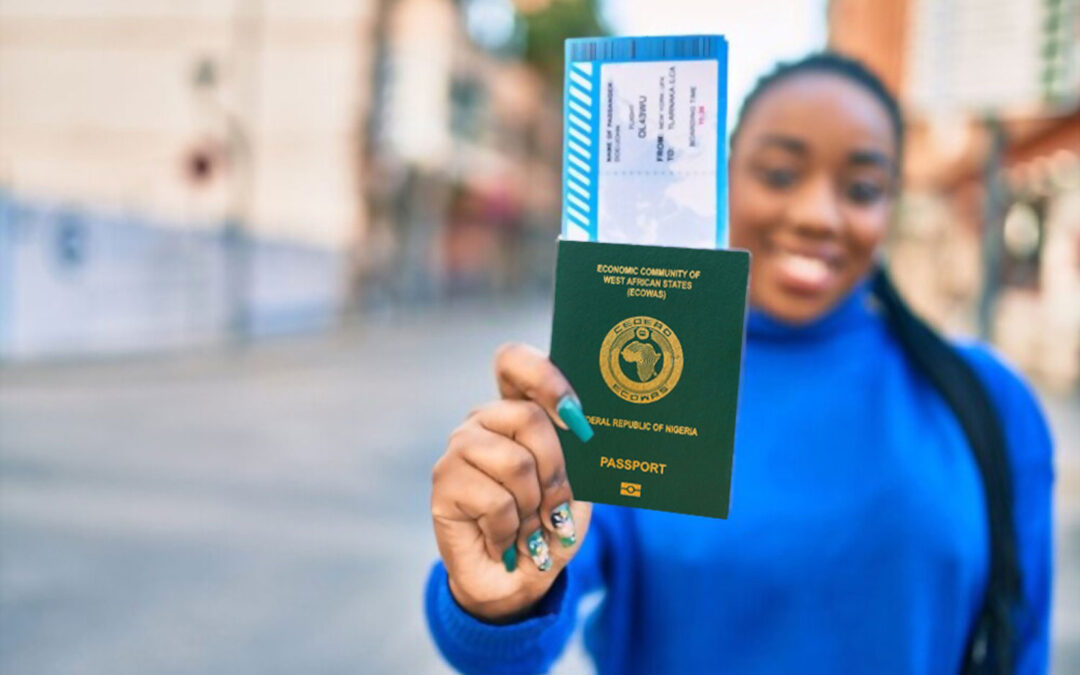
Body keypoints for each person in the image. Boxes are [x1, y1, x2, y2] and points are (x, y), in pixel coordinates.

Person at [423, 53, 1054, 674]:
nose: (815, 215)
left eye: (861, 189)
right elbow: (514, 633)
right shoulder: (634, 384)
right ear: (723, 178)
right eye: (780, 174)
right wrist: (493, 591)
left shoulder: (987, 401)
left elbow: (1020, 644)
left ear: (892, 204)